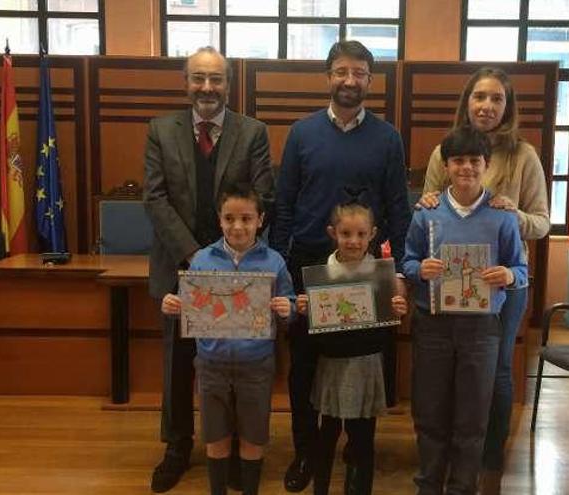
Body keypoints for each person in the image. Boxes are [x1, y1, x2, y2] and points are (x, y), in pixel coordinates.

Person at [270, 40, 411, 492]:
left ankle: (357, 448)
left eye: (360, 73)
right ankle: (307, 453)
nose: (350, 80)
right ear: (328, 76)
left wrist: (401, 272)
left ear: (371, 80)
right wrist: (278, 269)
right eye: (341, 71)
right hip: (309, 265)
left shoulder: (388, 138)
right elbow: (284, 204)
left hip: (367, 269)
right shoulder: (302, 133)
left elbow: (397, 208)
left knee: (363, 361)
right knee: (307, 369)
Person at [143, 46, 274, 493]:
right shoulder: (160, 130)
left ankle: (235, 448)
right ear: (185, 82)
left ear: (228, 84)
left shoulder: (252, 132)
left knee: (231, 364)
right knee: (178, 363)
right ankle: (178, 446)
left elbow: (262, 197)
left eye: (215, 79)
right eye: (198, 78)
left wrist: (225, 259)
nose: (206, 87)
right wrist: (199, 259)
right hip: (180, 267)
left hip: (239, 270)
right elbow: (154, 198)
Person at [419, 67, 549, 494]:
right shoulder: (447, 151)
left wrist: (512, 214)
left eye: (496, 99)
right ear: (467, 102)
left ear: (507, 106)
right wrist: (428, 200)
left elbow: (542, 223)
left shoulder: (523, 155)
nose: (487, 106)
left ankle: (488, 458)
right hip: (449, 282)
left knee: (494, 373)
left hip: (504, 281)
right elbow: (431, 206)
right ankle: (447, 464)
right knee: (447, 377)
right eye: (479, 97)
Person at [403, 127, 528, 495]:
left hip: (482, 329)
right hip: (433, 325)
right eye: (458, 160)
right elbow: (407, 261)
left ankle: (462, 487)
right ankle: (428, 484)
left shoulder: (502, 216)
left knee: (473, 417)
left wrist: (507, 274)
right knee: (430, 411)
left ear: (486, 165)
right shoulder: (426, 213)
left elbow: (521, 271)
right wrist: (418, 269)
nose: (467, 168)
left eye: (475, 161)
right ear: (446, 165)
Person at [161, 185, 294, 495]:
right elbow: (188, 309)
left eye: (246, 219)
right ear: (219, 220)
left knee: (253, 436)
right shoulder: (202, 261)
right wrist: (172, 307)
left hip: (256, 366)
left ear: (260, 219)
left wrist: (288, 309)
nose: (238, 226)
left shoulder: (274, 262)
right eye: (229, 218)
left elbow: (289, 308)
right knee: (215, 437)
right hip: (211, 365)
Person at [295, 201, 408, 495]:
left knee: (362, 438)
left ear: (372, 234)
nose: (354, 241)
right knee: (328, 433)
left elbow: (388, 324)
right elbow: (311, 326)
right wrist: (305, 308)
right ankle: (320, 488)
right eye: (346, 233)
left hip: (367, 363)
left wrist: (397, 307)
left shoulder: (383, 274)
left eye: (361, 234)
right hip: (331, 362)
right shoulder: (320, 271)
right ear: (333, 233)